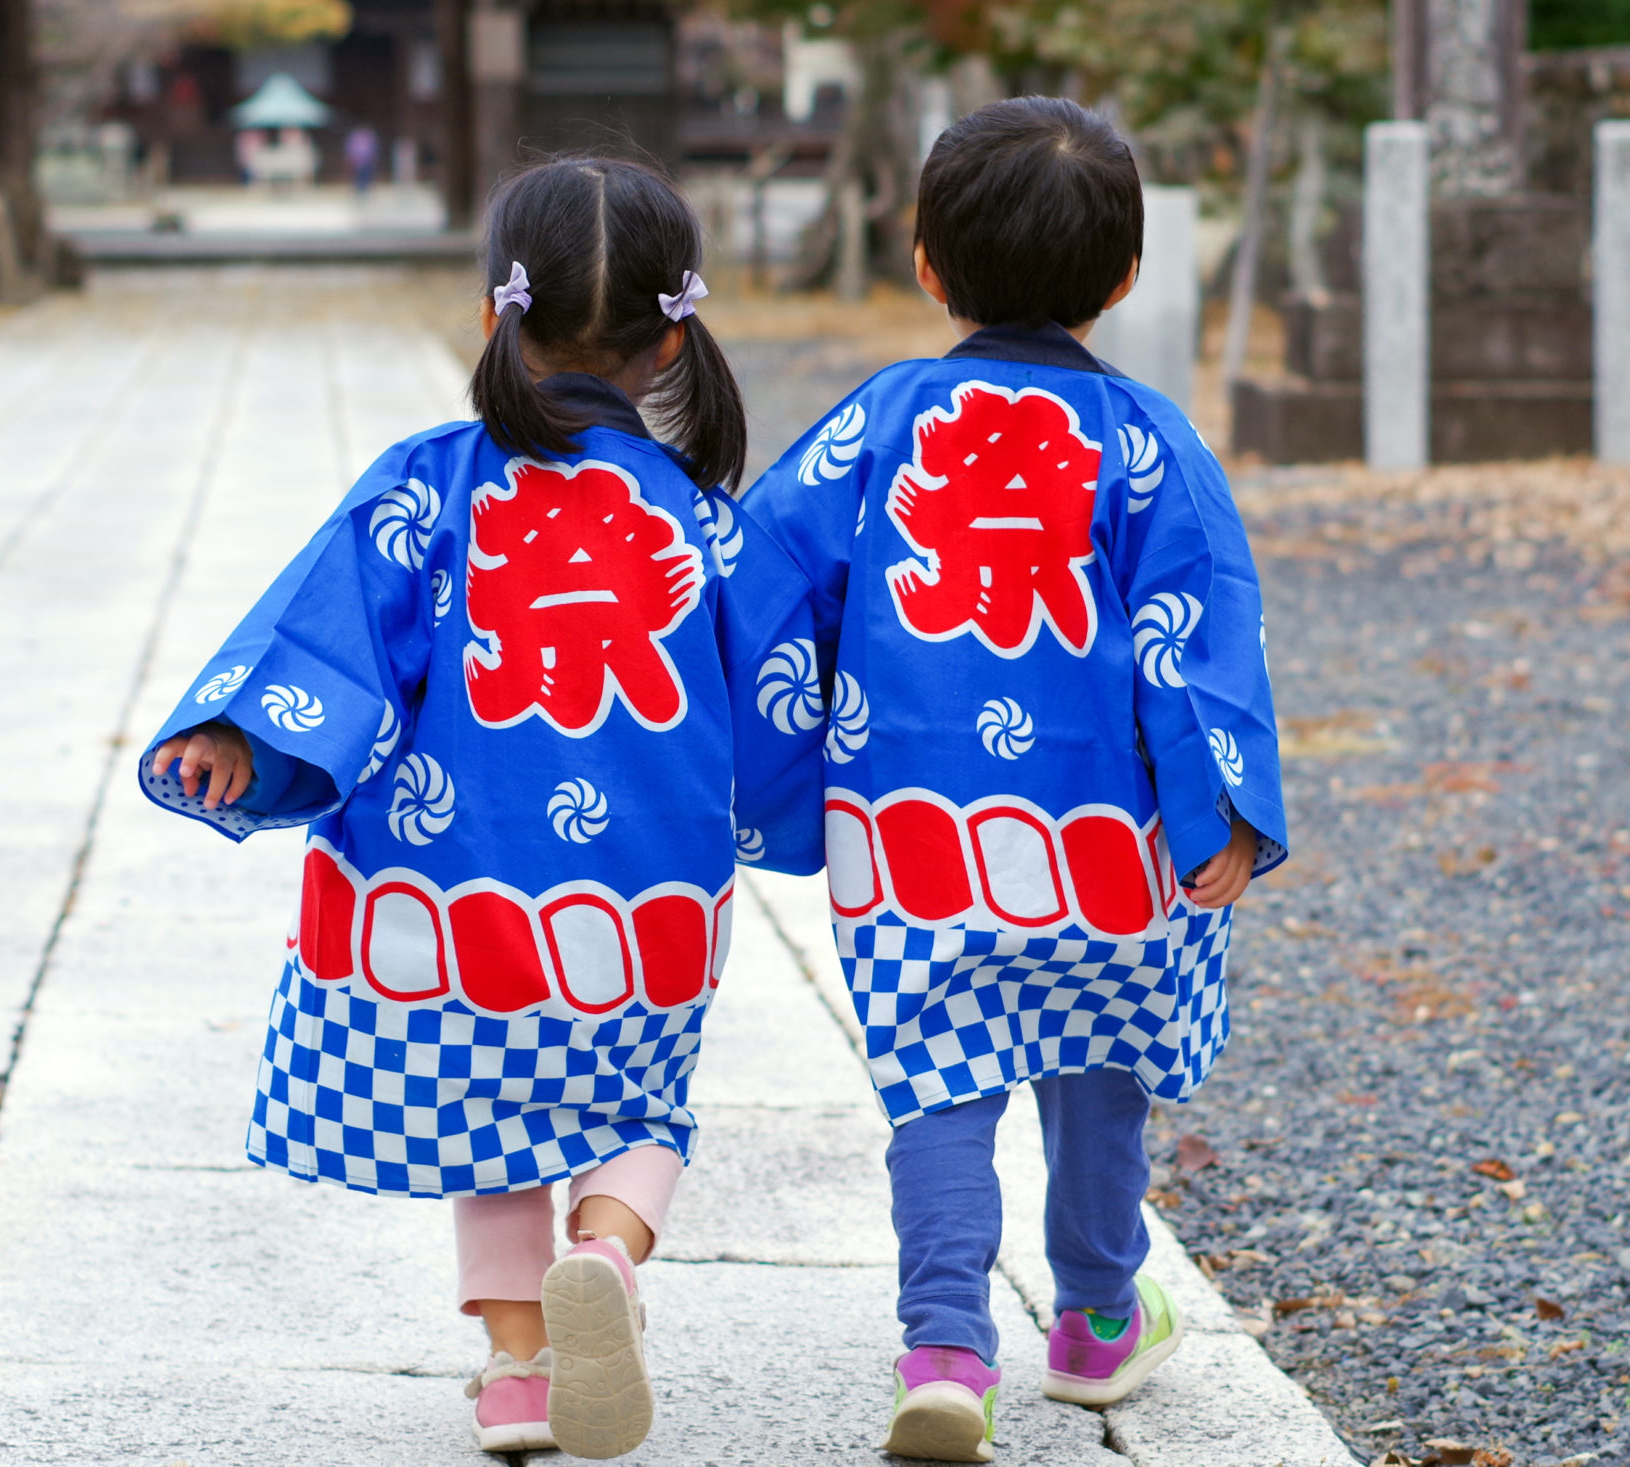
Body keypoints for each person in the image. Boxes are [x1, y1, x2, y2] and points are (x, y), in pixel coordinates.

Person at [141, 156, 824, 1460]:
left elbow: (330, 640)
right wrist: (818, 815)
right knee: (639, 1107)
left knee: (486, 1115)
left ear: (494, 313)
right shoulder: (706, 523)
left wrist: (243, 731)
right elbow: (780, 709)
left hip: (458, 883)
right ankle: (606, 1256)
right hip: (643, 896)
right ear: (672, 338)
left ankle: (518, 1371)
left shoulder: (427, 484)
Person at [738, 97, 1288, 1463]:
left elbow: (764, 584)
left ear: (926, 261)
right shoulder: (1150, 440)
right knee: (1100, 1056)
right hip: (1109, 838)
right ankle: (1097, 1317)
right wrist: (1220, 811)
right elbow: (1196, 638)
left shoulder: (876, 422)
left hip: (914, 832)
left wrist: (762, 765)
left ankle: (944, 1346)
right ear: (1125, 275)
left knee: (938, 1073)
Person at [346, 124, 379, 196]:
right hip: (357, 161)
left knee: (366, 176)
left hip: (367, 161)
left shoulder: (369, 136)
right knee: (358, 177)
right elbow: (351, 148)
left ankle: (365, 191)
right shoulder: (355, 136)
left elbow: (373, 148)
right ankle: (359, 191)